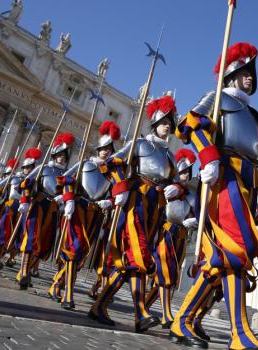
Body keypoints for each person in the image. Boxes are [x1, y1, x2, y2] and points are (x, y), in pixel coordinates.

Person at [169, 42, 258, 350]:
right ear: (231, 74)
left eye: (252, 73)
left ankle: (183, 319)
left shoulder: (254, 115)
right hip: (224, 180)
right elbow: (189, 125)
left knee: (220, 258)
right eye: (244, 72)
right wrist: (208, 157)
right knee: (238, 249)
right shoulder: (216, 98)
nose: (250, 78)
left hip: (249, 186)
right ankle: (240, 333)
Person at [88, 95, 181, 333]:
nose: (167, 125)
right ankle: (140, 314)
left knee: (131, 262)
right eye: (164, 121)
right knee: (138, 257)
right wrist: (120, 188)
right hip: (135, 204)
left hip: (155, 209)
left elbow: (177, 181)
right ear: (154, 123)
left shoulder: (170, 155)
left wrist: (175, 187)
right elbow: (111, 163)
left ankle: (99, 306)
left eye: (170, 122)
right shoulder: (139, 144)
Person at [53, 121, 117, 309]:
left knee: (81, 255)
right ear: (98, 149)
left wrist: (110, 202)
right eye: (103, 148)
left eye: (109, 149)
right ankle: (68, 295)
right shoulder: (84, 164)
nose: (105, 151)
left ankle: (57, 283)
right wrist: (70, 199)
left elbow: (115, 194)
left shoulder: (111, 172)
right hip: (79, 210)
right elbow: (66, 181)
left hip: (96, 214)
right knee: (73, 251)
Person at [145, 148, 199, 328]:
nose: (185, 174)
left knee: (171, 275)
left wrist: (195, 221)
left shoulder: (191, 194)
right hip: (165, 233)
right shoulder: (167, 186)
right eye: (182, 170)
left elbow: (198, 214)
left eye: (188, 171)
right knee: (165, 272)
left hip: (182, 237)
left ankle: (143, 306)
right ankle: (166, 314)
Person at [17, 132, 75, 290]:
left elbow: (70, 191)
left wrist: (64, 200)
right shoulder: (43, 168)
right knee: (31, 239)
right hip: (38, 206)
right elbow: (25, 184)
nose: (62, 158)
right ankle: (23, 272)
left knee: (43, 243)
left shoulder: (66, 174)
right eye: (59, 155)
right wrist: (25, 200)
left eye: (64, 155)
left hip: (54, 210)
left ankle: (28, 270)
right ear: (54, 155)